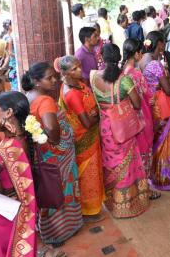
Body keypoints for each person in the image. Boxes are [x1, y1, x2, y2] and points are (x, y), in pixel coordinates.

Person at [22, 63, 83, 245]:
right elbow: (52, 130)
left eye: (54, 76)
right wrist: (58, 138)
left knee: (48, 189)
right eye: (49, 78)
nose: (54, 80)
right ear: (36, 81)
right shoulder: (45, 100)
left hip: (43, 153)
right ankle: (62, 230)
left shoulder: (28, 97)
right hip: (58, 155)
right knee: (62, 189)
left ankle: (48, 230)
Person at [90, 44, 150, 218]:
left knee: (110, 162)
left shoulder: (93, 77)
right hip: (121, 127)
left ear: (101, 56)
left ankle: (112, 203)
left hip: (105, 126)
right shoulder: (124, 80)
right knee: (127, 163)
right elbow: (137, 104)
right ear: (119, 58)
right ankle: (129, 203)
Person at [56, 56, 105, 221]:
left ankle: (93, 206)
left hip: (91, 136)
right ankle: (88, 210)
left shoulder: (79, 83)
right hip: (84, 138)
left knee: (93, 171)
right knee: (87, 175)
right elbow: (86, 122)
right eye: (74, 69)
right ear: (64, 72)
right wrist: (97, 115)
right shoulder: (71, 94)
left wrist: (94, 114)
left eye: (78, 67)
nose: (79, 70)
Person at [0, 92, 38, 257]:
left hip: (5, 215)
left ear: (8, 113)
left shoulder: (9, 148)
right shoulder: (21, 138)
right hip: (14, 208)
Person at [140, 31, 170, 191]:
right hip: (161, 105)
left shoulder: (142, 60)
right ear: (160, 44)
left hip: (149, 105)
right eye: (163, 43)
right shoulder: (156, 64)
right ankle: (164, 178)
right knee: (165, 141)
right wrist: (167, 74)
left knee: (155, 140)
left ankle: (152, 176)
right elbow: (168, 90)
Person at [121, 39, 156, 196]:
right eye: (141, 52)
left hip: (128, 119)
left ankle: (136, 188)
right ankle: (146, 190)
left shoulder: (122, 72)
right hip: (143, 116)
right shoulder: (135, 74)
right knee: (145, 152)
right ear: (136, 54)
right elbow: (150, 97)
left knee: (135, 154)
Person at [0, 19, 17, 90]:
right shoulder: (9, 38)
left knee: (13, 81)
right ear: (9, 26)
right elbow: (10, 53)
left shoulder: (5, 37)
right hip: (13, 62)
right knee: (15, 82)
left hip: (10, 63)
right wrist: (18, 57)